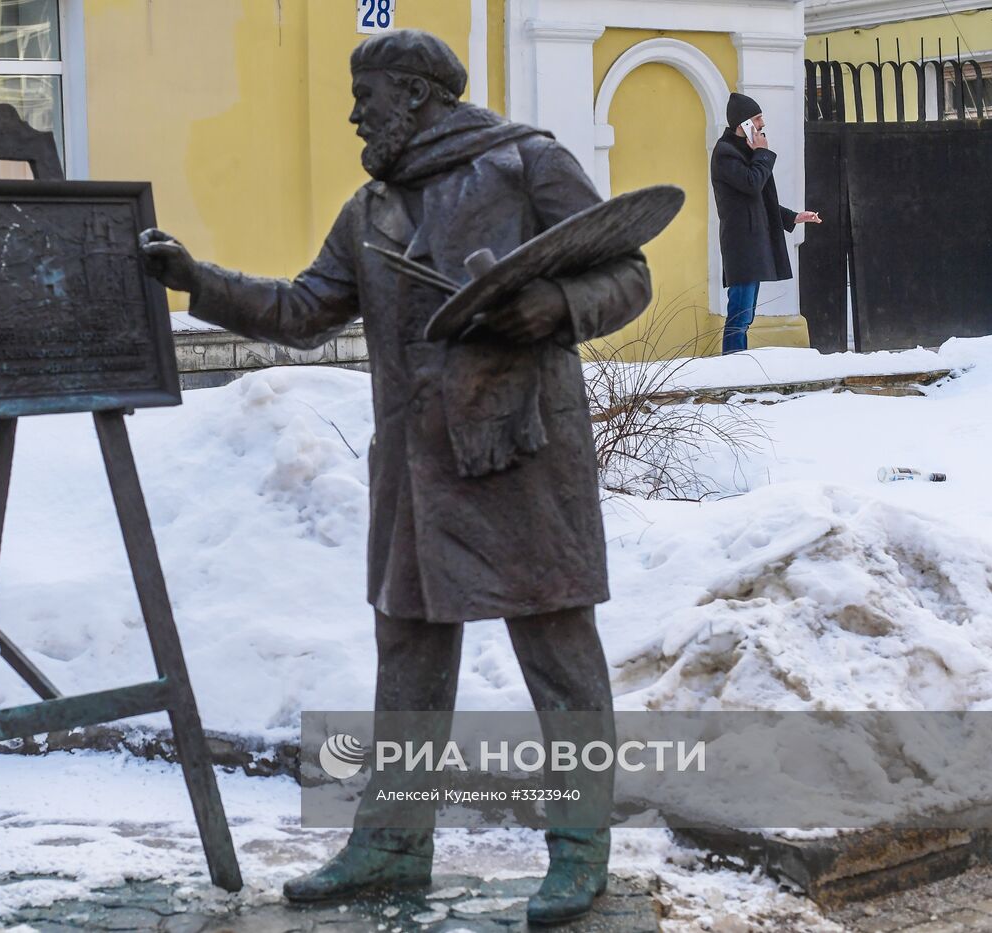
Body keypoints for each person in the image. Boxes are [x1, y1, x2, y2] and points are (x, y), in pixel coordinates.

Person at [140, 29, 652, 925]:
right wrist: (196, 280)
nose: (353, 114)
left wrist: (558, 304)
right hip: (418, 468)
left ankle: (580, 851)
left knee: (558, 653)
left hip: (520, 450)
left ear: (416, 94)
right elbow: (303, 312)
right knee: (408, 659)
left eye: (366, 97)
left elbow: (628, 269)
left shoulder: (526, 165)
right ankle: (389, 843)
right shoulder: (371, 210)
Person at [711, 92, 822, 354]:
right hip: (741, 243)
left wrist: (793, 217)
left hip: (753, 241)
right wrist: (762, 152)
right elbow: (751, 184)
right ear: (744, 123)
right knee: (740, 313)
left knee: (746, 314)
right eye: (757, 119)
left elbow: (760, 199)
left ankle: (737, 361)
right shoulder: (725, 153)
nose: (762, 124)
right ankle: (732, 363)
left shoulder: (745, 151)